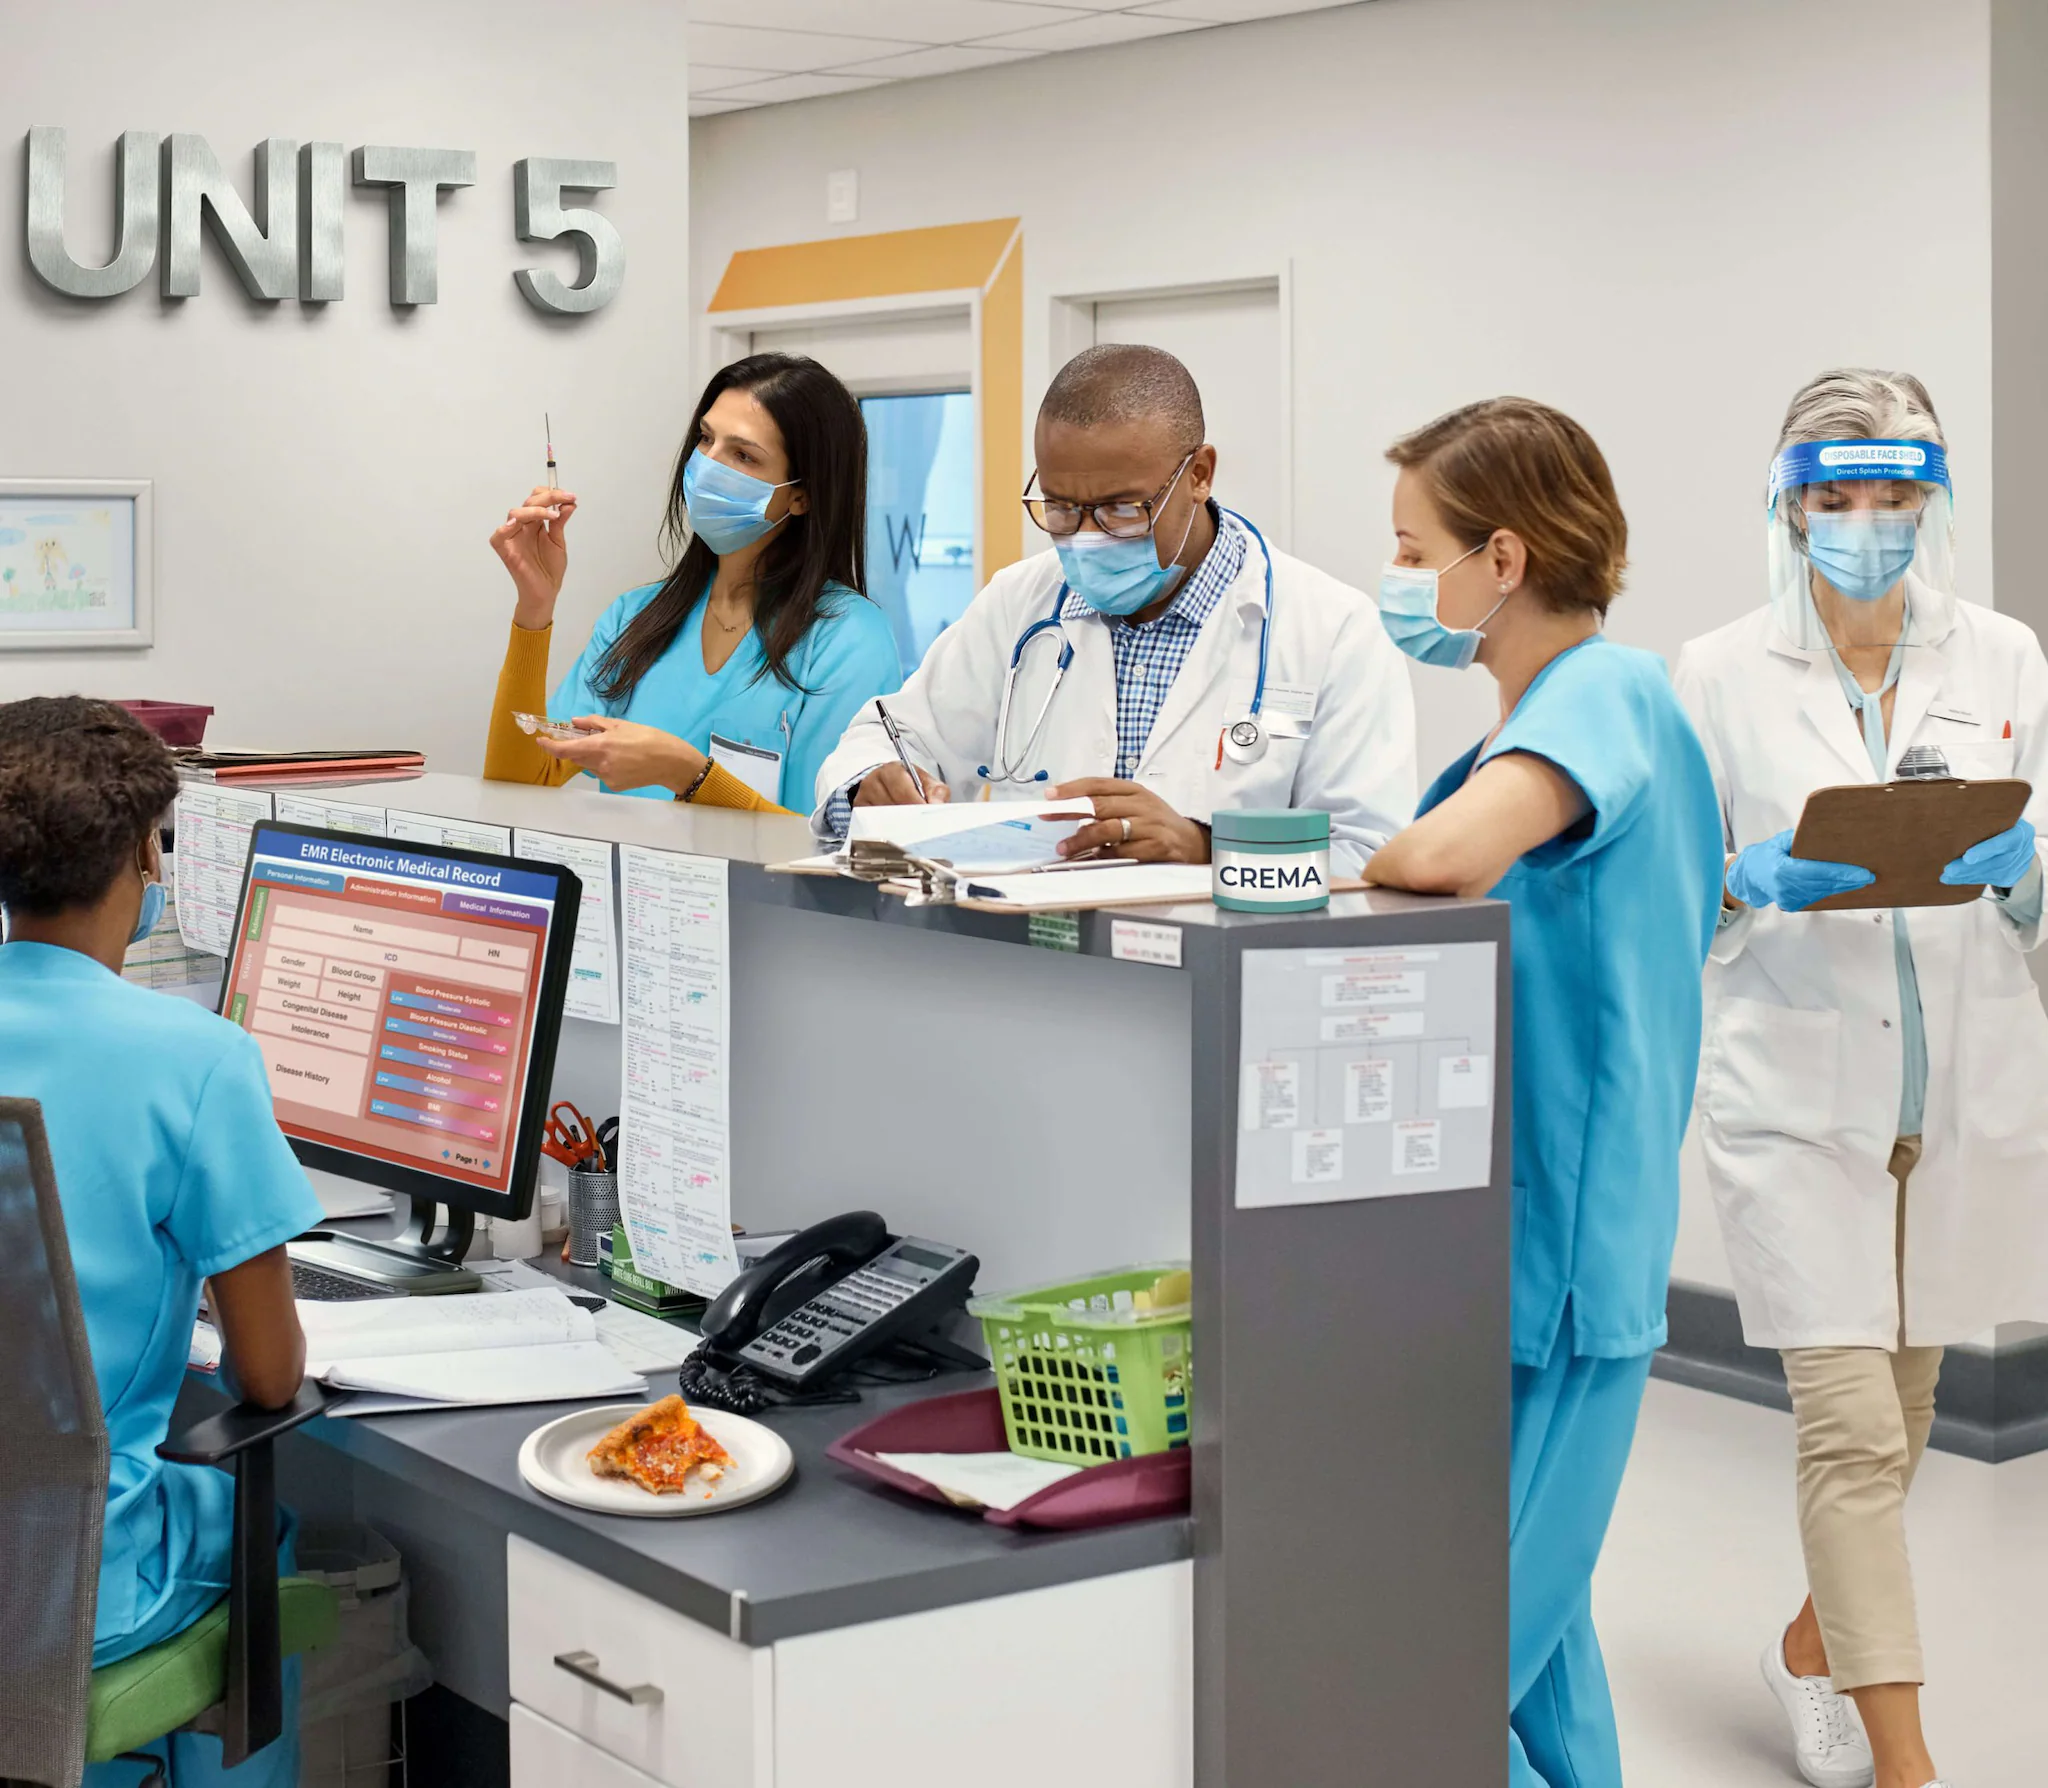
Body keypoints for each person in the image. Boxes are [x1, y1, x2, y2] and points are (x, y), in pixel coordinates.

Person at [1675, 369, 2048, 1788]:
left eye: (1897, 496)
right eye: (1838, 498)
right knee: (1845, 1430)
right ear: (1790, 505)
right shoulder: (1714, 672)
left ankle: (1811, 1641)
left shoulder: (2005, 658)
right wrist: (1742, 881)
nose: (1869, 525)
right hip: (1790, 1092)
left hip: (1952, 1093)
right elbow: (1678, 902)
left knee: (1902, 1423)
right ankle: (1907, 1766)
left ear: (1932, 501)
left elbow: (2038, 892)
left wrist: (2022, 882)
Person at [1361, 398, 1723, 1788]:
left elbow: (1445, 858)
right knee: (1540, 1641)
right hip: (1521, 1229)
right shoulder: (1545, 714)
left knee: (1447, 1669)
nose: (1401, 577)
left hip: (1573, 1248)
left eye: (1414, 548)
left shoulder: (1606, 697)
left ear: (1501, 560)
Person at [0, 697, 320, 1787]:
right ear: (149, 852)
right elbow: (268, 1375)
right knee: (263, 1532)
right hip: (73, 1592)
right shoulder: (196, 1059)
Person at [810, 344, 1415, 869]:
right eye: (1061, 507)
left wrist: (1207, 848)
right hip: (1039, 969)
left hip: (1223, 977)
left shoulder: (1332, 630)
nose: (1086, 536)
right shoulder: (1018, 602)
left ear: (1199, 474)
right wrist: (873, 783)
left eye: (1123, 508)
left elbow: (1368, 852)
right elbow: (892, 734)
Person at [484, 353, 901, 811]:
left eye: (743, 455)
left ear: (801, 495)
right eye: (706, 438)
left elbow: (820, 842)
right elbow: (517, 786)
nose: (707, 466)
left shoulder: (849, 638)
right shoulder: (636, 617)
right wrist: (534, 608)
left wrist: (687, 774)